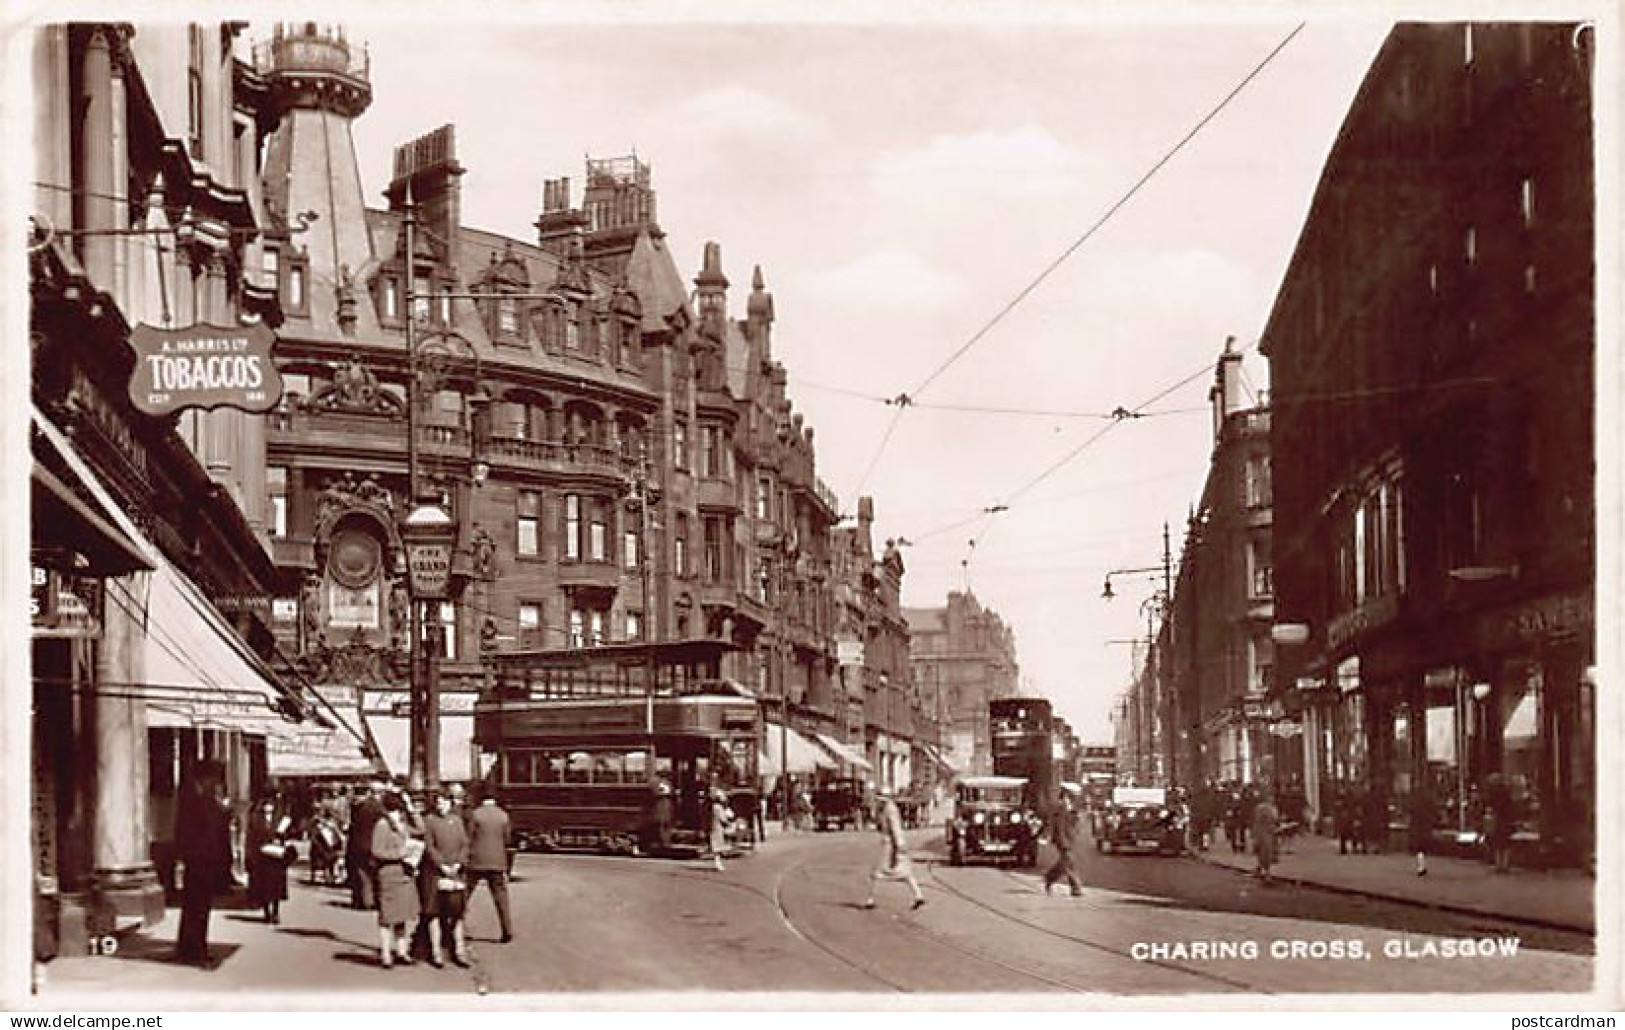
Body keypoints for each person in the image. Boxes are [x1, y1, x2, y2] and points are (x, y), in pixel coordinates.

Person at [173, 760, 234, 968]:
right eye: (215, 779)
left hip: (199, 860)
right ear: (206, 780)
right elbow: (210, 829)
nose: (217, 784)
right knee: (197, 908)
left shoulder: (194, 799)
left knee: (195, 907)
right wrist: (224, 811)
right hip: (200, 860)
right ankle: (195, 949)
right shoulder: (201, 801)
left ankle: (189, 947)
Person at [371, 791, 421, 968]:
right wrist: (398, 854)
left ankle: (401, 950)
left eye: (400, 810)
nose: (397, 814)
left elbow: (421, 829)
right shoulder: (382, 825)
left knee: (403, 914)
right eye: (396, 810)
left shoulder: (403, 825)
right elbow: (376, 851)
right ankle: (385, 953)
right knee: (387, 916)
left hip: (405, 874)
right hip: (389, 873)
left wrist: (412, 810)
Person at [421, 791, 471, 967]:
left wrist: (459, 863)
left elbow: (465, 844)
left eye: (444, 802)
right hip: (435, 874)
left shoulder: (457, 821)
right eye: (438, 802)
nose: (440, 805)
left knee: (457, 913)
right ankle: (436, 952)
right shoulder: (430, 821)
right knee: (433, 913)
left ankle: (460, 951)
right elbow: (429, 846)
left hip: (455, 872)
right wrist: (441, 864)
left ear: (451, 803)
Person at [862, 792, 925, 911]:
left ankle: (870, 899)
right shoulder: (886, 808)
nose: (877, 801)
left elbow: (895, 828)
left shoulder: (889, 810)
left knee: (876, 872)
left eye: (879, 799)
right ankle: (918, 895)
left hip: (890, 845)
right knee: (904, 872)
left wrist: (899, 845)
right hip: (892, 844)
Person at [466, 791, 515, 943]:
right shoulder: (503, 815)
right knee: (501, 898)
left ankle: (454, 927)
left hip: (476, 861)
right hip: (497, 862)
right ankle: (507, 930)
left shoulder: (475, 814)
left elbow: (468, 836)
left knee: (464, 895)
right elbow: (507, 839)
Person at [246, 798, 293, 924]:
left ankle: (276, 913)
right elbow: (251, 837)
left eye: (271, 805)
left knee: (276, 888)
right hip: (263, 859)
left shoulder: (279, 820)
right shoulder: (256, 820)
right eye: (266, 805)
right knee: (264, 888)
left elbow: (287, 835)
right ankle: (267, 913)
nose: (268, 808)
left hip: (276, 859)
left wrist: (281, 839)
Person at [347, 783, 383, 910]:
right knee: (374, 874)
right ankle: (375, 900)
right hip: (374, 843)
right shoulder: (377, 807)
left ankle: (366, 900)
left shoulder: (355, 807)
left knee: (363, 874)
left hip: (358, 845)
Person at [1042, 793, 1083, 897]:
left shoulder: (1070, 809)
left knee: (1064, 864)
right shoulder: (1060, 810)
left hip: (1068, 840)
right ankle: (1076, 888)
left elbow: (1073, 825)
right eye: (1067, 798)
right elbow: (1058, 827)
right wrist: (1061, 841)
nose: (1068, 801)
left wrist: (1076, 817)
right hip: (1063, 841)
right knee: (1069, 863)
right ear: (1064, 798)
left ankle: (1049, 878)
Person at [1484, 773, 1515, 873]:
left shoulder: (1493, 793)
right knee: (1505, 844)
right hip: (1505, 821)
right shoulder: (1506, 792)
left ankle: (1499, 864)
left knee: (1498, 844)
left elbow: (1492, 806)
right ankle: (1504, 864)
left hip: (1499, 821)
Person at [1252, 791, 1280, 884]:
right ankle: (1267, 874)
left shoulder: (1274, 808)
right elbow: (1258, 821)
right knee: (1265, 852)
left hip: (1271, 832)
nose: (1272, 799)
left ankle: (1259, 868)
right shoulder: (1261, 808)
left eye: (1272, 797)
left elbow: (1276, 820)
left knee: (1268, 852)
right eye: (1270, 797)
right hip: (1263, 832)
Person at [707, 786, 736, 872]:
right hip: (717, 828)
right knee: (717, 846)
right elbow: (722, 818)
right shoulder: (718, 807)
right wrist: (729, 823)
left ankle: (718, 863)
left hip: (716, 827)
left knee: (718, 846)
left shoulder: (715, 807)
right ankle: (717, 864)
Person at [1410, 785, 1437, 877]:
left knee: (1420, 849)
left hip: (1419, 830)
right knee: (1422, 848)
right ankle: (1421, 867)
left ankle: (1421, 867)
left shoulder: (1416, 805)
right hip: (1425, 829)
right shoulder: (1428, 805)